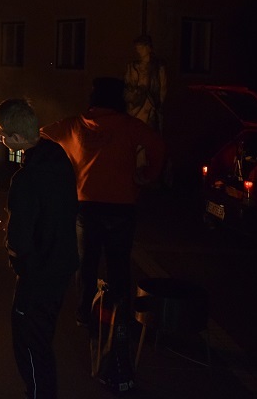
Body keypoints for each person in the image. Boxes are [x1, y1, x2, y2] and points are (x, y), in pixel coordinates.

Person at [40, 77, 165, 327]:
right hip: (122, 207)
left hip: (87, 207)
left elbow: (41, 134)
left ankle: (84, 314)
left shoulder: (75, 125)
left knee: (86, 265)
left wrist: (59, 171)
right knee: (119, 266)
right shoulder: (130, 125)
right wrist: (147, 175)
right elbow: (158, 145)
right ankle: (121, 317)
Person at [0, 97, 79, 399]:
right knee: (42, 336)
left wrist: (19, 261)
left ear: (15, 138)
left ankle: (39, 394)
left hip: (39, 273)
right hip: (61, 265)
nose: (0, 140)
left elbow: (20, 238)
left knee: (29, 340)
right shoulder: (59, 158)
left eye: (2, 135)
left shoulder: (26, 179)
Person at [124, 34, 166, 132]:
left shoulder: (158, 67)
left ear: (148, 48)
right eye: (137, 48)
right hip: (136, 105)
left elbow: (163, 88)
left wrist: (159, 104)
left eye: (141, 48)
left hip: (151, 104)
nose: (139, 51)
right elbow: (128, 85)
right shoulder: (133, 67)